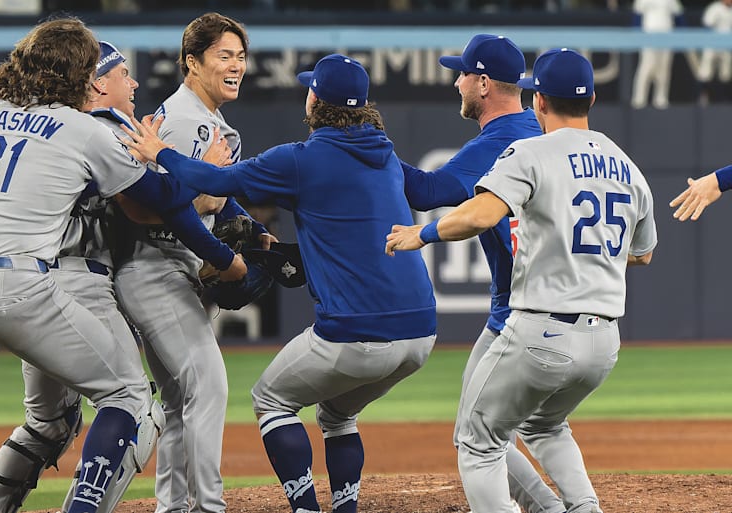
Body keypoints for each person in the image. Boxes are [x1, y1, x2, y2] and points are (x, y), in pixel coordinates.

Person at [0, 19, 243, 513]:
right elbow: (161, 198)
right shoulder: (88, 130)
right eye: (120, 72)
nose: (135, 83)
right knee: (128, 399)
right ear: (88, 79)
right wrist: (205, 170)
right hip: (32, 286)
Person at [123, 52, 438, 513]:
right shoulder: (385, 155)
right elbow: (438, 190)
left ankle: (307, 509)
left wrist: (159, 153)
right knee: (337, 413)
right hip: (422, 335)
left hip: (356, 332)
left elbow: (215, 179)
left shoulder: (300, 158)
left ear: (316, 100)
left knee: (270, 401)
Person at [386, 47, 657, 513]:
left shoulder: (529, 152)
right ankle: (580, 508)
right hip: (604, 341)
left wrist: (422, 234)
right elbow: (643, 253)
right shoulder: (627, 166)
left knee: (477, 440)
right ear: (591, 99)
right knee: (546, 425)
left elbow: (481, 214)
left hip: (540, 328)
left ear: (537, 101)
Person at [108, 12, 272, 513]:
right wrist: (225, 256)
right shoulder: (179, 122)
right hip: (154, 263)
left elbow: (214, 199)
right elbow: (164, 206)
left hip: (174, 266)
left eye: (241, 56)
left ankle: (174, 506)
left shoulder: (212, 124)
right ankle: (207, 506)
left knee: (181, 402)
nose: (237, 65)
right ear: (191, 63)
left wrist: (256, 231)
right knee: (209, 384)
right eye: (224, 55)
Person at [406, 33, 564, 513]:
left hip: (520, 311)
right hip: (540, 303)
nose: (456, 83)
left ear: (482, 83)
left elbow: (428, 191)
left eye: (461, 74)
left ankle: (554, 507)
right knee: (483, 431)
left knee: (476, 436)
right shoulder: (535, 131)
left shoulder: (504, 138)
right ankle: (554, 507)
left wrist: (361, 147)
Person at [630, 0, 683, 109]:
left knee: (664, 68)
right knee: (646, 67)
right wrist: (637, 37)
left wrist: (680, 38)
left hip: (667, 37)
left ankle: (661, 99)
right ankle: (639, 99)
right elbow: (636, 17)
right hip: (648, 37)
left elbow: (679, 17)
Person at [696, 0, 732, 105]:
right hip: (712, 44)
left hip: (726, 46)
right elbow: (707, 25)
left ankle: (725, 100)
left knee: (725, 73)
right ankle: (703, 97)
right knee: (705, 72)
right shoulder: (714, 8)